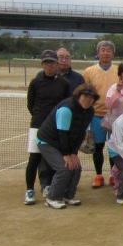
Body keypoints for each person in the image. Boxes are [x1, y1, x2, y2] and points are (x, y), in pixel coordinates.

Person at [36, 84, 97, 209]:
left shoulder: (90, 111)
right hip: (48, 141)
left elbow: (80, 133)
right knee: (64, 168)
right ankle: (52, 198)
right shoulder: (66, 109)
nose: (88, 100)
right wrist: (66, 155)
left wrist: (74, 153)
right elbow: (62, 134)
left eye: (91, 98)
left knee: (76, 166)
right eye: (85, 96)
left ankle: (68, 195)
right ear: (78, 96)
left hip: (64, 142)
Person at [24, 50, 71, 205]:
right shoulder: (35, 82)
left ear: (57, 64)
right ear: (42, 64)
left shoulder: (64, 83)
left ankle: (48, 186)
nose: (49, 65)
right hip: (37, 126)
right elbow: (31, 104)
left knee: (52, 159)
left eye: (52, 62)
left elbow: (66, 104)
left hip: (55, 128)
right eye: (46, 63)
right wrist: (40, 118)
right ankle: (29, 190)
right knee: (34, 159)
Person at [83, 40, 118, 188]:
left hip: (115, 117)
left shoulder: (119, 70)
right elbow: (85, 94)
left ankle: (113, 175)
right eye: (103, 50)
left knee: (114, 148)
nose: (105, 53)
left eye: (109, 50)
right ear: (98, 53)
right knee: (98, 147)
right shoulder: (89, 71)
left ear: (113, 54)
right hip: (96, 116)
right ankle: (98, 175)